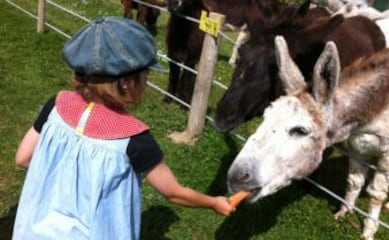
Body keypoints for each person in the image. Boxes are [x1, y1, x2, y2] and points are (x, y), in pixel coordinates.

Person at [13, 16, 233, 240]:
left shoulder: (56, 105)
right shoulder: (133, 138)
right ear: (127, 82)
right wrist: (214, 202)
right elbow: (173, 192)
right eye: (145, 74)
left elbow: (22, 158)